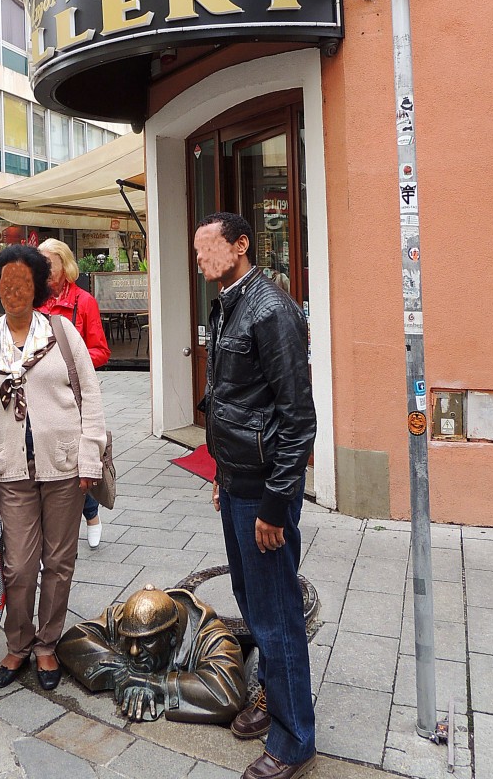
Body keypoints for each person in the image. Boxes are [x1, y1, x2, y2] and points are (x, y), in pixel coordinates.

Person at [194, 212, 317, 779]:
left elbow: (297, 417)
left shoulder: (270, 309)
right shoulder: (229, 303)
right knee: (252, 597)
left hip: (265, 488)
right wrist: (223, 474)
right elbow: (232, 399)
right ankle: (273, 693)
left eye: (208, 250)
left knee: (276, 612)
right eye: (197, 253)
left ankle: (293, 741)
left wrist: (274, 502)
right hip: (238, 478)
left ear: (240, 246)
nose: (200, 261)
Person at [0, 244, 106, 692]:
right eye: (6, 284)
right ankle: (18, 641)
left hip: (64, 466)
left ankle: (46, 644)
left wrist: (90, 456)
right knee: (20, 565)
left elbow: (90, 397)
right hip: (12, 471)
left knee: (59, 561)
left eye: (23, 283)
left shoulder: (62, 332)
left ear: (38, 287)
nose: (13, 291)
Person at [57, 584, 246, 724]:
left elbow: (227, 693)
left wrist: (157, 685)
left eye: (147, 641)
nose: (134, 650)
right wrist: (121, 672)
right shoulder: (127, 617)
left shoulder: (213, 638)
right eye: (129, 639)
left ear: (173, 635)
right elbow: (73, 641)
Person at [38, 238, 110, 548]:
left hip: (73, 396)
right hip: (39, 395)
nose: (41, 271)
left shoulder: (84, 301)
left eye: (47, 264)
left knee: (77, 459)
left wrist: (70, 363)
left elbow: (101, 351)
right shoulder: (34, 302)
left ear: (65, 266)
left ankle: (91, 514)